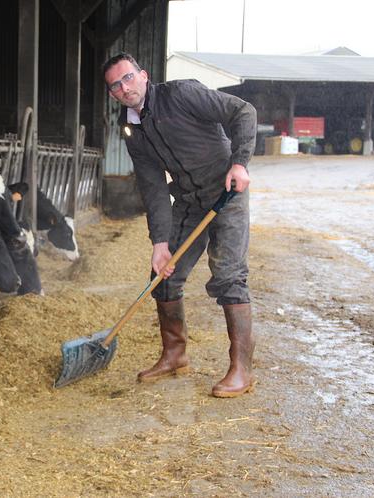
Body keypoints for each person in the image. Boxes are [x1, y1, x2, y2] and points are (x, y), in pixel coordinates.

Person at [102, 52, 257, 398]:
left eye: (127, 77)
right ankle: (175, 354)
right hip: (188, 200)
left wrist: (240, 163)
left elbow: (243, 111)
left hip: (226, 192)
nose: (124, 87)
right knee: (163, 273)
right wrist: (160, 242)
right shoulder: (132, 128)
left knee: (229, 275)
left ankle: (241, 369)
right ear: (112, 94)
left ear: (143, 75)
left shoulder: (183, 94)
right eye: (115, 85)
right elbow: (152, 185)